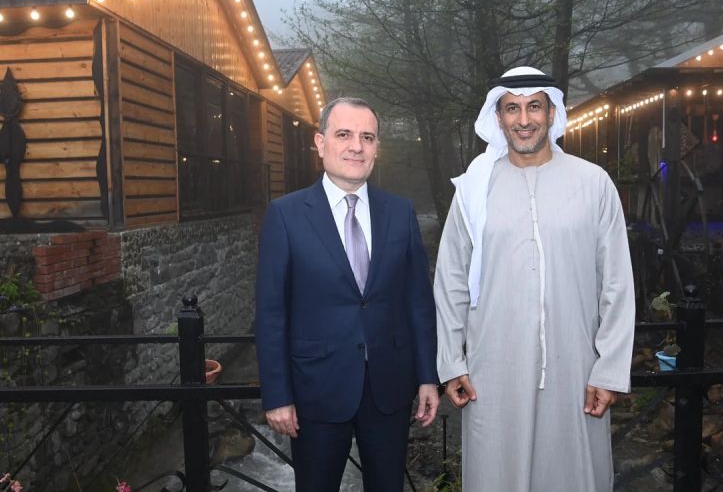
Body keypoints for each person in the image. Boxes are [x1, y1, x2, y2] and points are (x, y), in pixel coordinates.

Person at [435, 67, 635, 491]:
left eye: (534, 107)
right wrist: (451, 362)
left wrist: (609, 369)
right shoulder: (473, 190)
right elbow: (450, 279)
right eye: (512, 108)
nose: (523, 119)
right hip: (492, 371)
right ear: (498, 117)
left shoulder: (593, 183)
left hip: (575, 368)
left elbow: (617, 283)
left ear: (551, 113)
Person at [255, 97, 439, 492]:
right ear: (320, 143)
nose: (356, 146)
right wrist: (277, 395)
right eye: (344, 135)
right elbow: (271, 314)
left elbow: (419, 303)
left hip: (389, 389)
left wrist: (427, 376)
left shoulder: (400, 212)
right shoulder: (285, 215)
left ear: (376, 148)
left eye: (367, 137)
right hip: (316, 391)